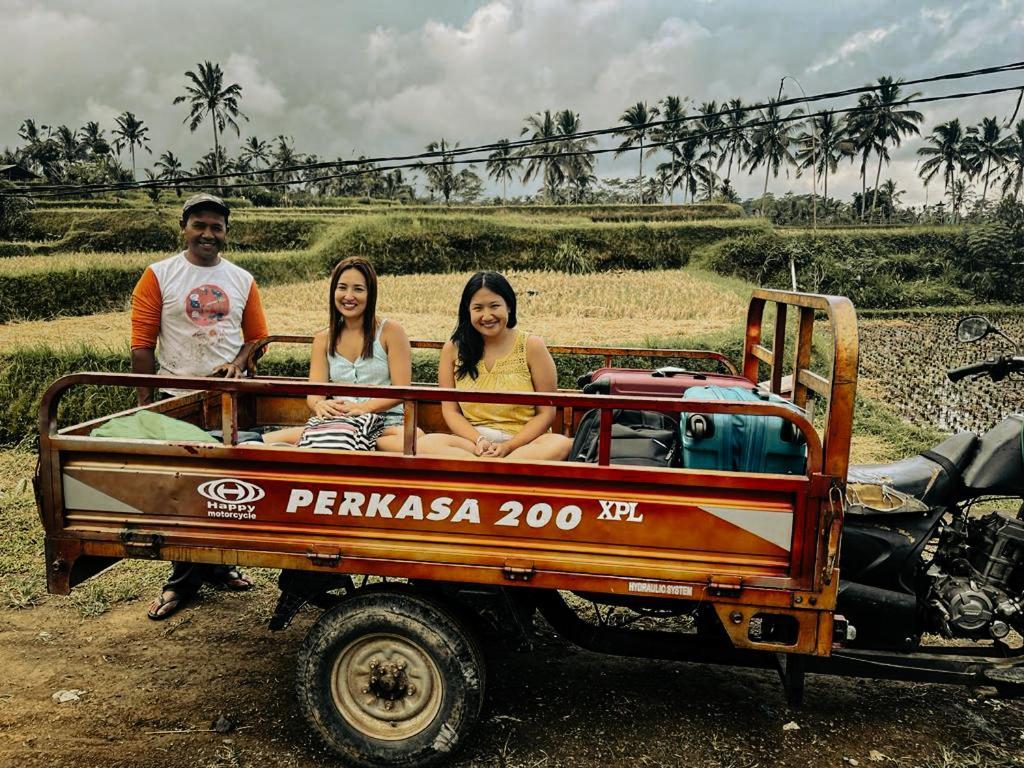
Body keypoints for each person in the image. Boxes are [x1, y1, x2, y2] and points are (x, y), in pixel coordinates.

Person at [130, 192, 269, 621]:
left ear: (226, 233)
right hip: (180, 399)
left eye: (217, 227)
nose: (208, 234)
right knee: (186, 493)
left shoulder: (242, 279)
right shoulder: (159, 276)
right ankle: (180, 583)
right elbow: (141, 342)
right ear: (184, 227)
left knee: (226, 490)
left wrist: (240, 363)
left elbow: (258, 336)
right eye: (200, 225)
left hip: (230, 400)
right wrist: (146, 405)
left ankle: (221, 566)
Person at [262, 256, 415, 452]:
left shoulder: (390, 332)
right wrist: (320, 405)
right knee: (264, 442)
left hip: (386, 424)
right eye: (342, 287)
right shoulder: (323, 339)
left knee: (412, 439)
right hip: (338, 423)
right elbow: (314, 394)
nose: (348, 296)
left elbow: (402, 390)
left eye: (358, 289)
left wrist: (364, 408)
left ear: (370, 294)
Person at [418, 271, 572, 461]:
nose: (487, 315)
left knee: (561, 443)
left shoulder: (532, 346)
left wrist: (508, 446)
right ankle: (494, 468)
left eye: (494, 306)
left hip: (525, 443)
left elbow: (546, 413)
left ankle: (487, 468)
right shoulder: (452, 349)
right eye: (478, 308)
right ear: (468, 310)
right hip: (473, 442)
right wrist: (479, 440)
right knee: (424, 444)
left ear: (509, 306)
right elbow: (450, 411)